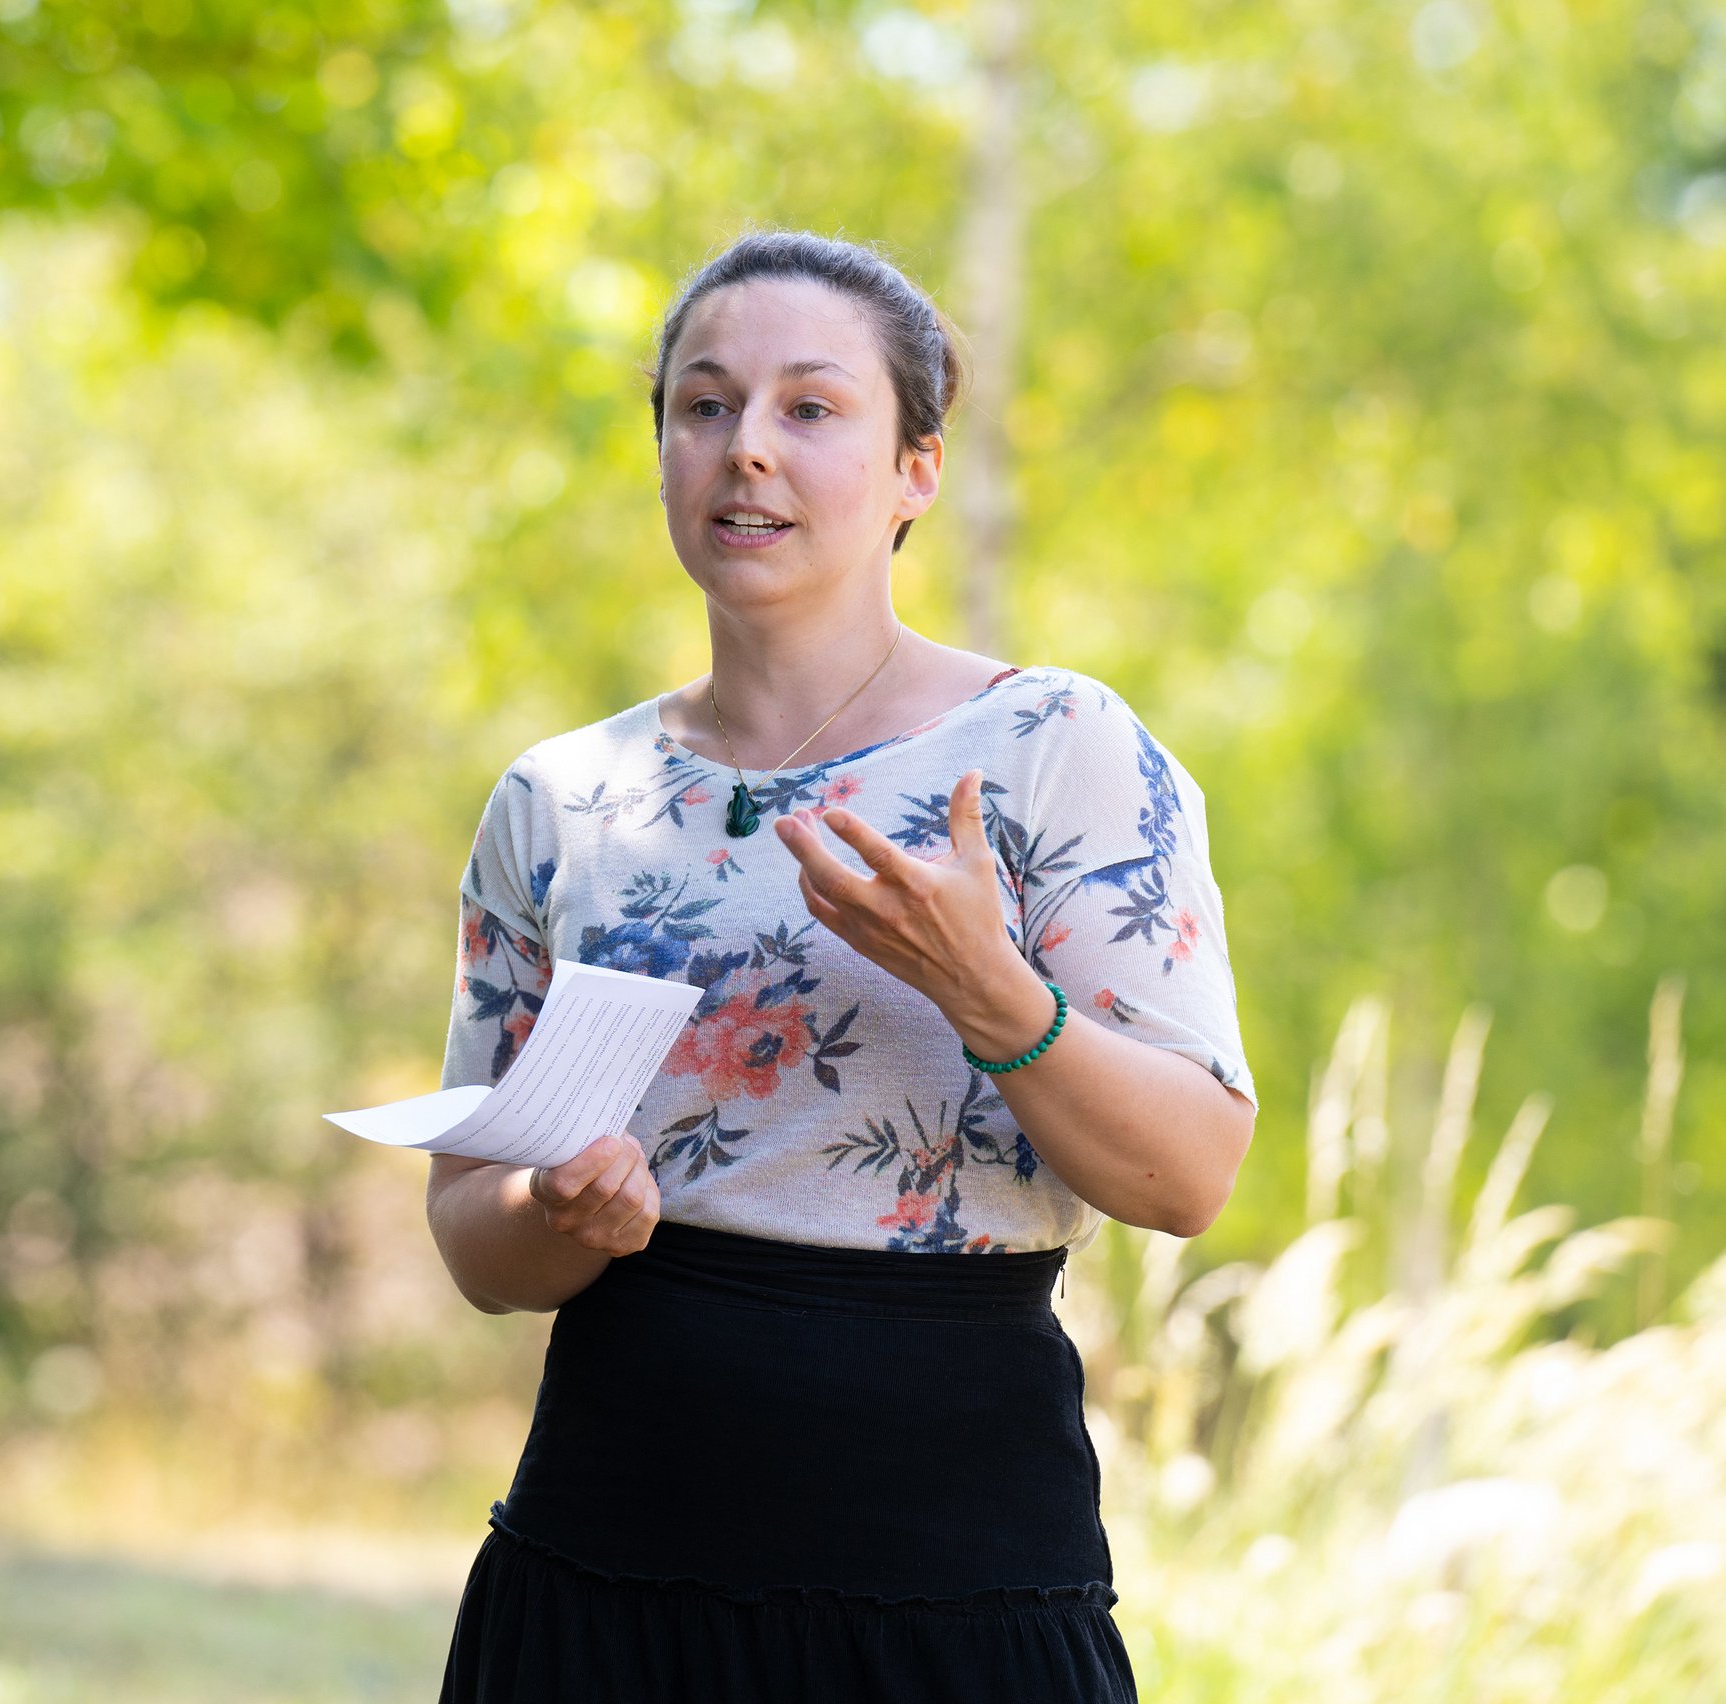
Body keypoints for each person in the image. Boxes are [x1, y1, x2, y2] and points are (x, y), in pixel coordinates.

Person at [425, 228, 1258, 1703]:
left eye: (810, 410)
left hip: (954, 1579)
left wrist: (987, 988)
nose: (746, 450)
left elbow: (1185, 1178)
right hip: (600, 1571)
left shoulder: (1054, 748)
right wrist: (558, 1214)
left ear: (913, 472)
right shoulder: (560, 797)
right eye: (702, 404)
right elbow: (474, 1240)